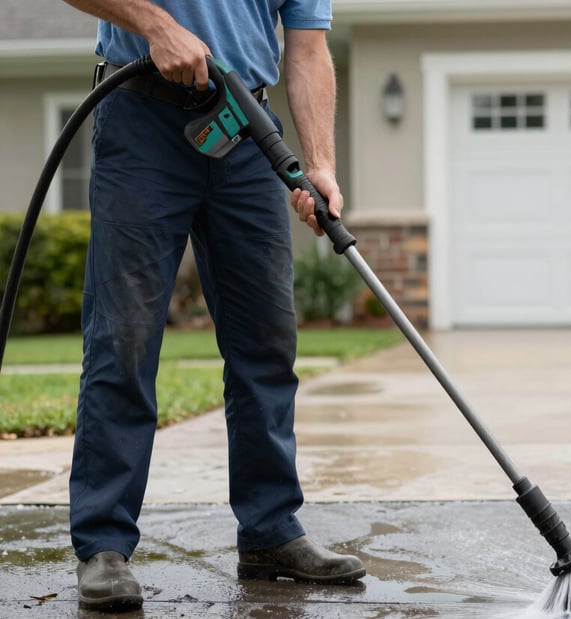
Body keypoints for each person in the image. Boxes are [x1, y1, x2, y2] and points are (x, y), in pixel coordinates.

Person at [61, 0, 364, 612]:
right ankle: (104, 546)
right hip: (140, 119)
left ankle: (272, 530)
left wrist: (321, 167)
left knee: (267, 341)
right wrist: (155, 23)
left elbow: (305, 50)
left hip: (246, 127)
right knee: (125, 337)